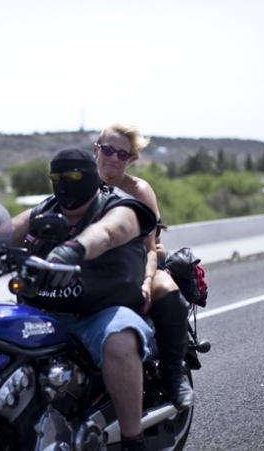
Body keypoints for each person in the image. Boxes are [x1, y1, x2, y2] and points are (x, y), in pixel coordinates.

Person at [11, 147, 157, 451]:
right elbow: (2, 231)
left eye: (74, 176)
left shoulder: (118, 206)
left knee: (119, 340)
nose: (64, 184)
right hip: (46, 311)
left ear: (90, 176)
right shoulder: (44, 211)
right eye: (57, 177)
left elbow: (111, 230)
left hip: (101, 312)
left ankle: (133, 440)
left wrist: (74, 249)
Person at [93, 122, 195, 410]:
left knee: (163, 287)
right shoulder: (82, 185)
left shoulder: (138, 190)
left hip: (140, 261)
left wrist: (146, 281)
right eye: (108, 150)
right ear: (96, 150)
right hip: (95, 268)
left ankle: (174, 375)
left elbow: (151, 248)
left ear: (132, 160)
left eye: (122, 154)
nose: (113, 158)